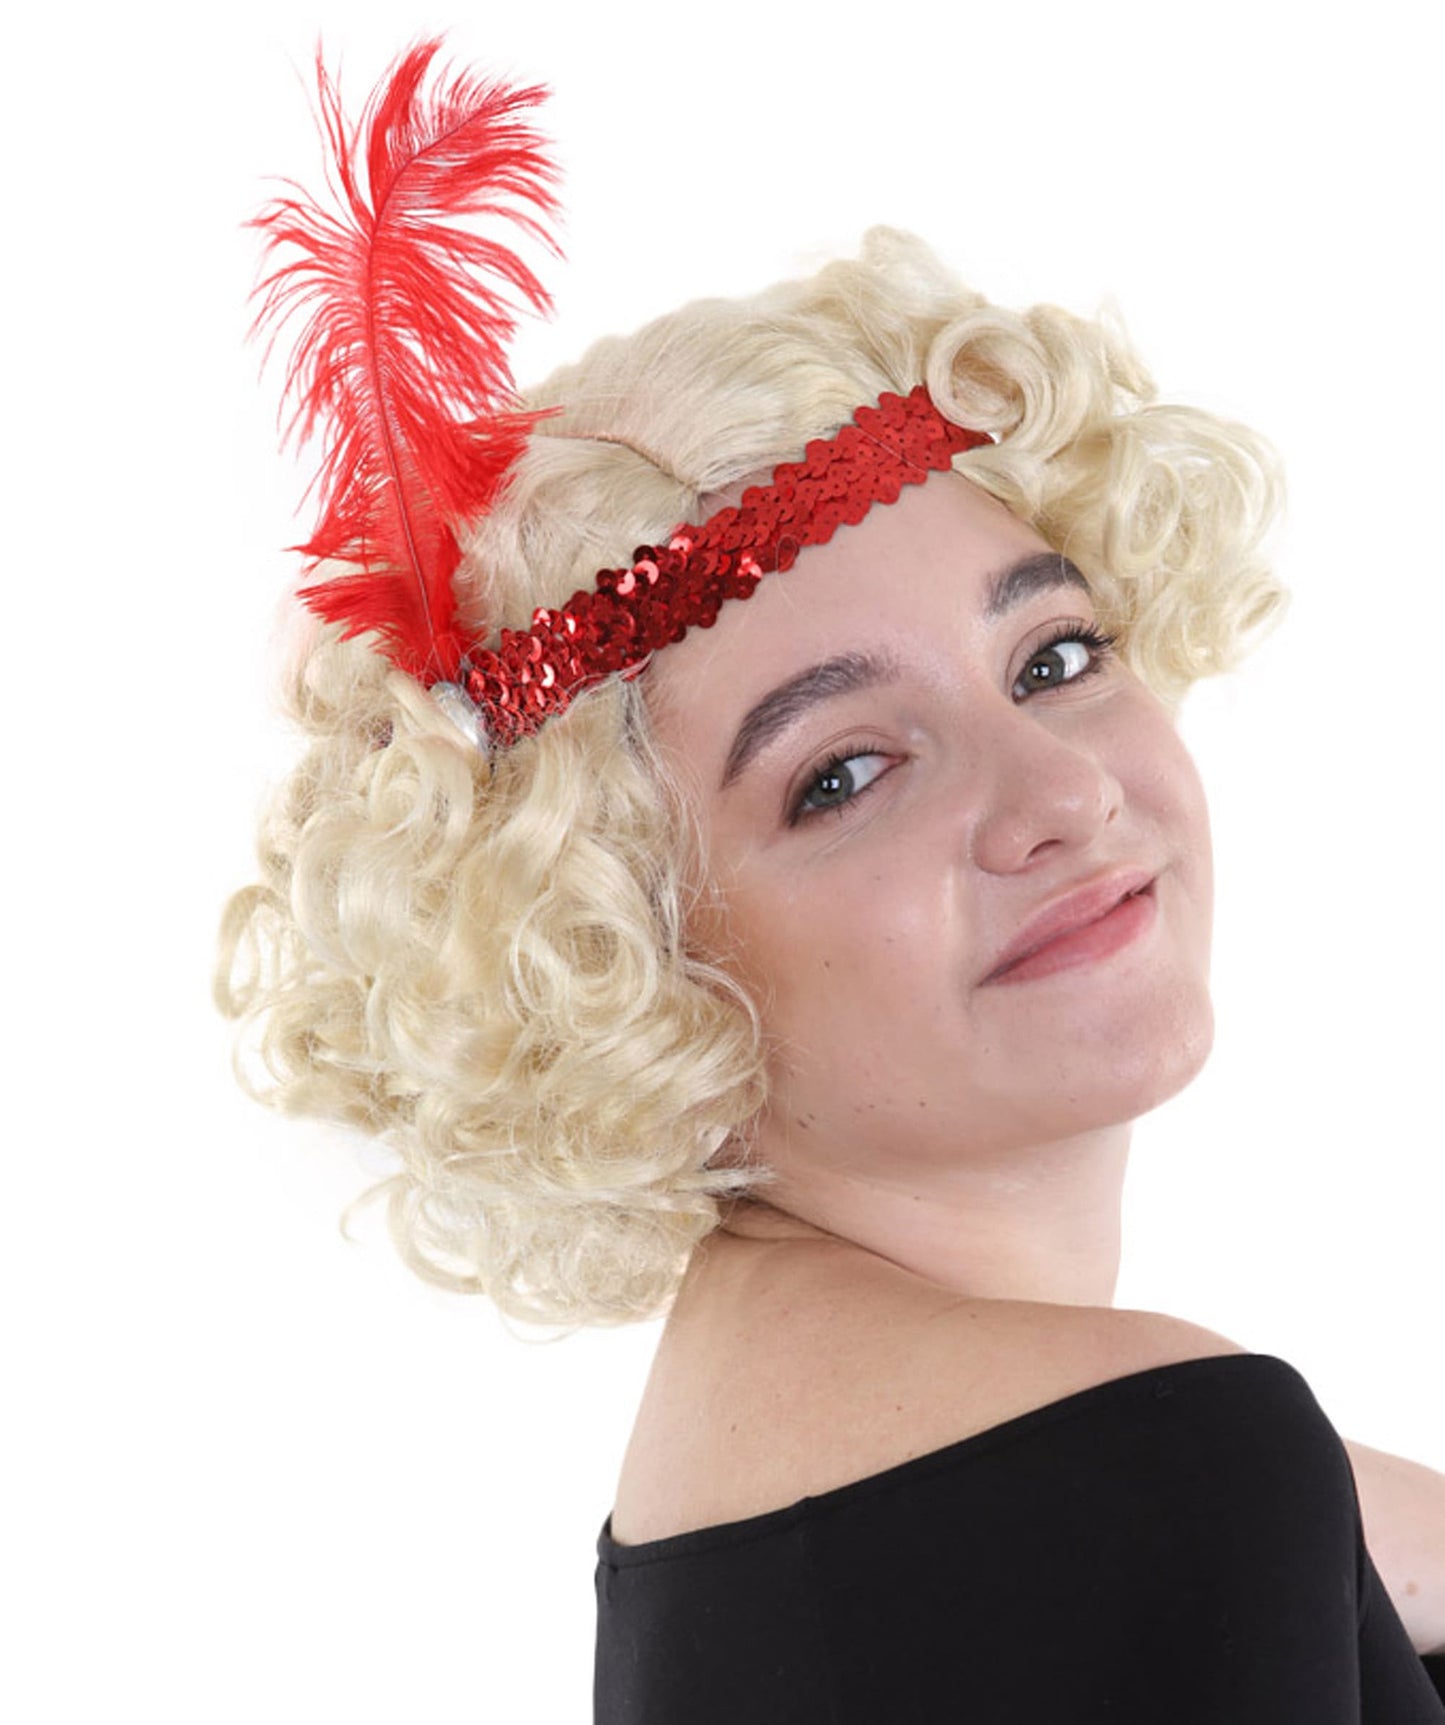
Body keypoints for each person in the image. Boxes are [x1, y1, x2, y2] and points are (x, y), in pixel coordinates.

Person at [215, 39, 1445, 1722]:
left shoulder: (758, 1485)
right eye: (844, 773)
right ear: (624, 954)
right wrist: (1243, 1483)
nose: (1061, 792)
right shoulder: (1165, 1457)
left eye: (1053, 655)